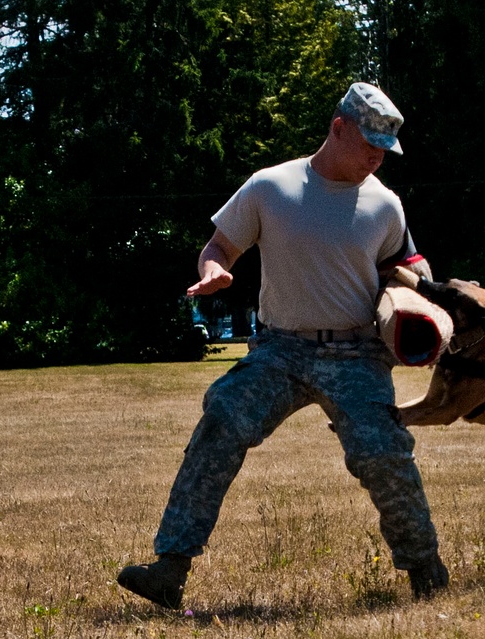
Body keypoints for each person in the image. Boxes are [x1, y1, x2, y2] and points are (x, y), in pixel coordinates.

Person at [117, 82, 448, 609]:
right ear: (338, 128)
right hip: (280, 351)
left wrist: (422, 301)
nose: (377, 158)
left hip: (357, 354)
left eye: (385, 150)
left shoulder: (386, 205)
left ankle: (427, 572)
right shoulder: (271, 187)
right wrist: (214, 271)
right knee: (223, 418)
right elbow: (219, 244)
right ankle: (169, 570)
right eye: (368, 144)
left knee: (383, 454)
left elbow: (406, 267)